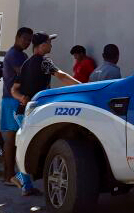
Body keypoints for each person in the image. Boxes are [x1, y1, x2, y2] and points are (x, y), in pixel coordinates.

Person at [11, 33, 81, 196]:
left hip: (22, 111)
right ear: (41, 46)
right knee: (34, 145)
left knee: (27, 145)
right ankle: (19, 177)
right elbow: (62, 76)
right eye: (49, 43)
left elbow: (13, 89)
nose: (51, 46)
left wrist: (21, 97)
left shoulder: (26, 63)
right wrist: (83, 87)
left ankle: (26, 186)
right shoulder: (45, 61)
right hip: (35, 112)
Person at [0, 27, 33, 188]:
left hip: (20, 99)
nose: (27, 42)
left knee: (18, 140)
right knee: (11, 140)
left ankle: (14, 176)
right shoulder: (13, 55)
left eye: (29, 40)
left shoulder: (23, 55)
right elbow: (25, 73)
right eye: (25, 39)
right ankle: (8, 176)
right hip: (12, 99)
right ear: (17, 37)